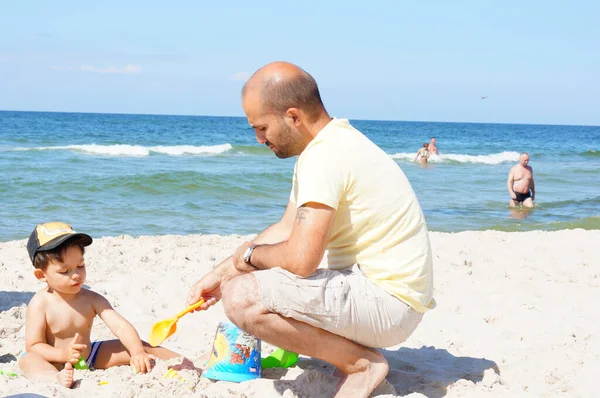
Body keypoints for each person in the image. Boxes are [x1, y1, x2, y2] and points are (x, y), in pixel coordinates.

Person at [185, 61, 434, 398]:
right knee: (240, 282)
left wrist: (248, 258)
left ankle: (362, 364)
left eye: (261, 128)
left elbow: (301, 259)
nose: (259, 139)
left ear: (293, 116)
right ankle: (349, 354)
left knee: (242, 296)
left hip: (388, 304)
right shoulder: (330, 144)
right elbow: (287, 227)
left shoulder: (324, 156)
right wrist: (223, 271)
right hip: (391, 299)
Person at [19, 222, 179, 388]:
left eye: (80, 266)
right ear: (41, 274)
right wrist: (63, 354)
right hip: (51, 360)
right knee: (28, 360)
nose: (76, 275)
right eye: (64, 271)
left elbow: (121, 327)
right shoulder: (40, 303)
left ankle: (184, 361)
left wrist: (137, 352)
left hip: (88, 356)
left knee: (142, 345)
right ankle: (55, 378)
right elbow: (34, 345)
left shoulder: (92, 299)